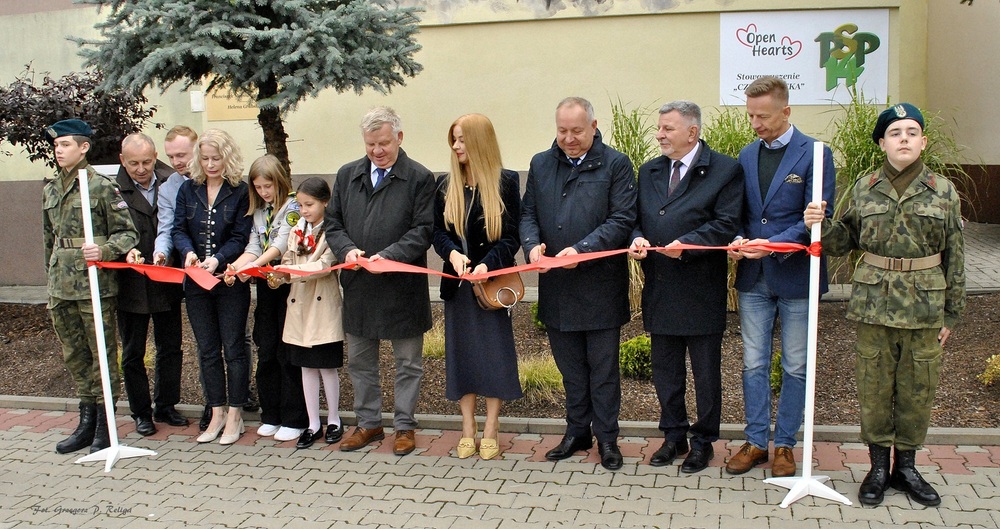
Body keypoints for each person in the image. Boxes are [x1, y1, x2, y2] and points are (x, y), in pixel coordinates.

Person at [804, 103, 966, 507]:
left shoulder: (943, 190)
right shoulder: (864, 186)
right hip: (874, 305)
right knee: (874, 389)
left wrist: (952, 313)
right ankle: (877, 468)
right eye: (895, 133)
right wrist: (818, 222)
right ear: (882, 143)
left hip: (924, 308)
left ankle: (906, 467)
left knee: (917, 390)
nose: (904, 139)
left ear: (923, 141)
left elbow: (957, 256)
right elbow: (844, 241)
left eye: (912, 132)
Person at [726, 76, 835, 478]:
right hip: (754, 277)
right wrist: (738, 238)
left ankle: (785, 445)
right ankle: (756, 441)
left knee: (795, 366)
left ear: (786, 112)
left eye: (764, 117)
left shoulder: (816, 153)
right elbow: (740, 212)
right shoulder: (746, 154)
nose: (756, 124)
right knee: (753, 364)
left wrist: (771, 244)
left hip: (796, 279)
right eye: (751, 116)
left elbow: (815, 221)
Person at [520, 97, 637, 471]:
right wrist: (531, 245)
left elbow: (622, 220)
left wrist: (582, 249)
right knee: (570, 367)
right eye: (562, 131)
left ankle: (607, 438)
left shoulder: (615, 164)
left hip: (600, 285)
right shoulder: (541, 163)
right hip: (557, 287)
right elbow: (528, 214)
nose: (568, 139)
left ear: (593, 125)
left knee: (602, 370)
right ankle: (576, 431)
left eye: (576, 131)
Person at [627, 101, 744, 473]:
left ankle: (704, 441)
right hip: (660, 286)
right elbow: (635, 218)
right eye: (659, 128)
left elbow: (727, 223)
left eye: (668, 129)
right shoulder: (649, 171)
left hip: (700, 288)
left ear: (692, 132)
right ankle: (673, 435)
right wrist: (638, 238)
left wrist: (688, 244)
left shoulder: (725, 169)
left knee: (706, 373)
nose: (659, 135)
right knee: (666, 370)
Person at [325, 106, 435, 456]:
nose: (377, 151)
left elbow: (423, 230)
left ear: (399, 138)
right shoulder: (347, 175)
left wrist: (390, 256)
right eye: (371, 144)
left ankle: (404, 426)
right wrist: (347, 251)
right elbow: (333, 224)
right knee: (360, 361)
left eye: (384, 143)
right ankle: (369, 423)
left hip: (402, 287)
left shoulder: (419, 177)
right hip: (359, 285)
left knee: (408, 363)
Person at [42, 118, 138, 454]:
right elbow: (48, 240)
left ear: (84, 147)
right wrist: (50, 277)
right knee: (75, 355)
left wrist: (105, 250)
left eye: (65, 144)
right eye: (56, 146)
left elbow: (128, 233)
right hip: (61, 284)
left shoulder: (100, 186)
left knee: (102, 355)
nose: (59, 151)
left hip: (93, 283)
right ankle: (86, 420)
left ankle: (105, 423)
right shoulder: (51, 189)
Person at [432, 114, 523, 460]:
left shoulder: (507, 182)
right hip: (457, 287)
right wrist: (453, 254)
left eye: (462, 140)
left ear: (480, 142)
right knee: (463, 357)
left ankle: (491, 427)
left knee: (494, 357)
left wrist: (489, 264)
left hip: (492, 287)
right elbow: (437, 233)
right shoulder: (445, 185)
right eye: (453, 140)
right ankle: (468, 427)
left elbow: (511, 235)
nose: (456, 146)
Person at [172, 128, 253, 446]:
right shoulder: (188, 189)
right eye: (204, 158)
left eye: (216, 158)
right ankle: (216, 411)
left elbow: (240, 235)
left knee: (233, 347)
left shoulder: (240, 190)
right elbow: (178, 228)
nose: (210, 164)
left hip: (229, 279)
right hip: (195, 280)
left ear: (227, 157)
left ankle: (236, 413)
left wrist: (217, 259)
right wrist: (188, 252)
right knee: (207, 349)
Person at [230, 155, 308, 443]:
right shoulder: (259, 210)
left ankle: (294, 418)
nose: (263, 191)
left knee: (287, 351)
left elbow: (279, 244)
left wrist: (253, 266)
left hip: (287, 283)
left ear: (279, 181)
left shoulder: (293, 207)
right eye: (258, 186)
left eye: (267, 185)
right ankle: (271, 413)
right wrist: (237, 266)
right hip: (265, 285)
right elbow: (254, 243)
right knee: (266, 346)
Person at [115, 133, 188, 436]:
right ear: (123, 160)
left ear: (155, 156)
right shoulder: (111, 190)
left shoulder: (172, 181)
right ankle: (141, 412)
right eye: (134, 164)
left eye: (147, 161)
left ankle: (167, 405)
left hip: (165, 279)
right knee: (133, 352)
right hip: (129, 284)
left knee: (170, 346)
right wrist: (122, 250)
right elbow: (107, 232)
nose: (142, 169)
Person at [270, 177, 346, 449]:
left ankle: (335, 419)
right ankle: (313, 423)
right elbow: (289, 259)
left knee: (326, 365)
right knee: (305, 367)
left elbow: (326, 265)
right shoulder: (296, 231)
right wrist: (279, 274)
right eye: (300, 205)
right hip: (299, 306)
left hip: (323, 305)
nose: (304, 211)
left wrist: (293, 272)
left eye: (309, 205)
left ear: (325, 202)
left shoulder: (332, 231)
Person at [156, 125, 216, 431]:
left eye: (181, 154)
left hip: (224, 268)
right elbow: (169, 228)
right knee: (205, 342)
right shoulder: (169, 188)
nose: (177, 161)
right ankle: (212, 401)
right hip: (192, 271)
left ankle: (241, 395)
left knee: (237, 340)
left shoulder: (218, 177)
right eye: (171, 156)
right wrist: (162, 253)